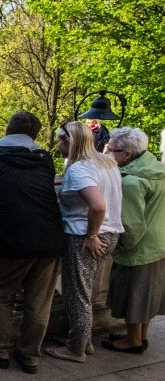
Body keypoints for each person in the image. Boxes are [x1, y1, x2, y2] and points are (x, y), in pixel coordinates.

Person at [0, 111, 64, 374]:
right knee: (38, 302)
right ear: (34, 135)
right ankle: (30, 355)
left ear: (7, 129)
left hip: (11, 238)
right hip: (50, 238)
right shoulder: (44, 159)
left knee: (0, 295)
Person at [45, 122, 123, 363]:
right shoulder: (107, 162)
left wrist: (91, 234)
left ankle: (76, 349)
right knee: (85, 290)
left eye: (60, 140)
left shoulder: (79, 169)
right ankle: (83, 340)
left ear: (71, 141)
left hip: (85, 236)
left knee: (76, 293)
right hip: (110, 233)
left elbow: (98, 205)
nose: (58, 144)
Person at [102, 127, 165, 353]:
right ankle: (141, 335)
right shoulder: (158, 169)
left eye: (111, 150)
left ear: (127, 154)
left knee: (134, 295)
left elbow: (132, 225)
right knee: (148, 295)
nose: (107, 153)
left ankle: (133, 341)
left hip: (140, 247)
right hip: (159, 241)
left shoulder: (130, 182)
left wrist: (118, 245)